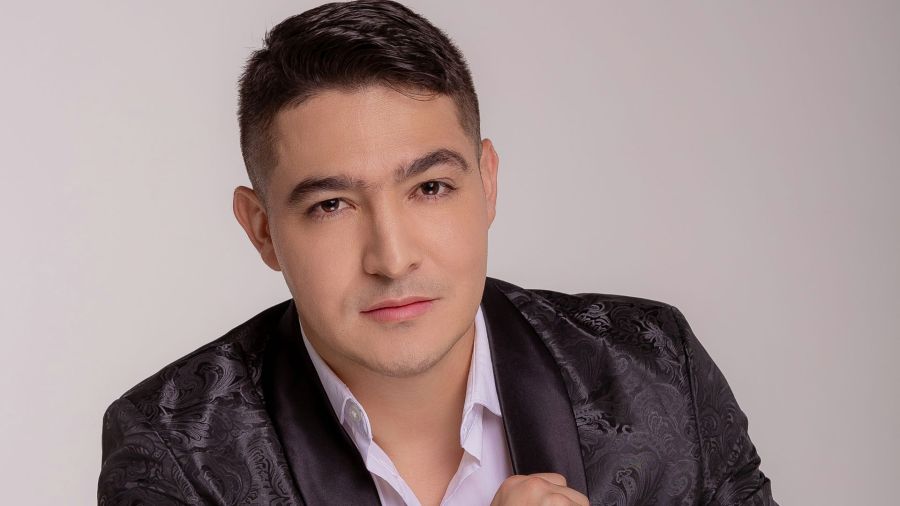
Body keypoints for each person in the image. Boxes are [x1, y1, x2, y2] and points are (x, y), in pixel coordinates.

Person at [97, 1, 777, 504]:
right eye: (331, 205)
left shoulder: (656, 367)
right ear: (262, 230)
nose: (392, 259)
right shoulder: (173, 447)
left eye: (430, 188)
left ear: (487, 184)